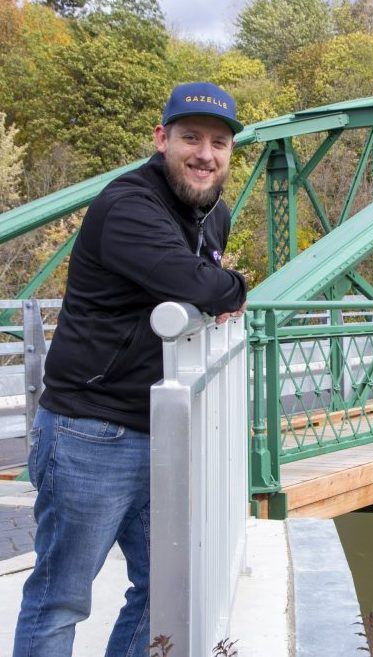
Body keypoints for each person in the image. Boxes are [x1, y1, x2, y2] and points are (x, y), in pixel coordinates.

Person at [13, 82, 248, 657]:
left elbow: (204, 287)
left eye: (219, 143)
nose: (205, 154)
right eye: (191, 138)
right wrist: (235, 286)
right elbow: (199, 285)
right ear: (161, 138)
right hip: (89, 432)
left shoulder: (209, 212)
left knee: (162, 590)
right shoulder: (128, 206)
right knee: (62, 597)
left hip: (163, 432)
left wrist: (222, 291)